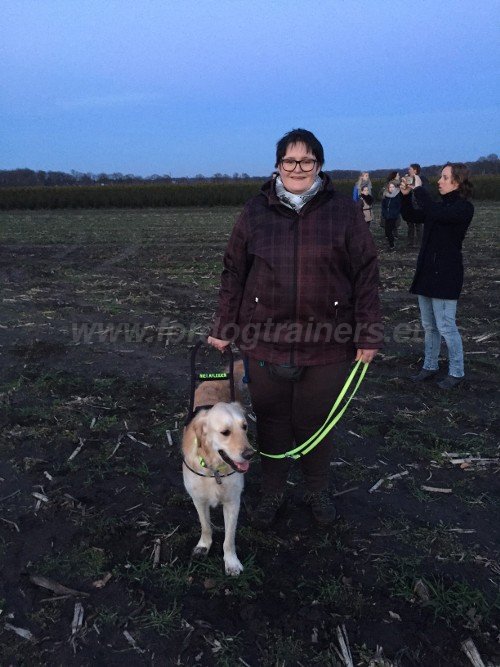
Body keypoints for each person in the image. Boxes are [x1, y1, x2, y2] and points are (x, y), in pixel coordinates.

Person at [207, 128, 382, 528]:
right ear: (278, 165)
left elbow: (366, 275)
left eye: (307, 161)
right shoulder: (255, 211)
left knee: (314, 422)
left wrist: (368, 332)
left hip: (328, 343)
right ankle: (272, 493)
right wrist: (224, 326)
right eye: (290, 161)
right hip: (264, 341)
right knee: (271, 421)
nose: (297, 168)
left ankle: (317, 490)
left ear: (319, 165)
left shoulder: (343, 212)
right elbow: (234, 271)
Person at [400, 163, 474, 389]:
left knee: (446, 326)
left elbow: (434, 212)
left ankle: (457, 372)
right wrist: (405, 196)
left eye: (444, 177)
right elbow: (412, 214)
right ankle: (430, 366)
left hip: (446, 275)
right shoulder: (439, 206)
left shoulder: (463, 208)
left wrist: (419, 188)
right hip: (427, 274)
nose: (439, 181)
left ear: (457, 182)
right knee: (429, 326)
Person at [400, 163, 427, 247]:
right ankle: (410, 242)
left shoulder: (419, 179)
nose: (408, 170)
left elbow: (412, 190)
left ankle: (420, 242)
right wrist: (404, 183)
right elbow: (405, 191)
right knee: (410, 224)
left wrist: (406, 185)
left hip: (417, 205)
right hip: (408, 205)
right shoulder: (408, 178)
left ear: (415, 170)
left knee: (418, 225)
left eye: (410, 169)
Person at [381, 180, 402, 250]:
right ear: (388, 188)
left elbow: (399, 206)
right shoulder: (385, 195)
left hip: (393, 216)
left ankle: (392, 245)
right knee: (387, 231)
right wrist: (384, 213)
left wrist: (395, 214)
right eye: (390, 187)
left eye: (393, 187)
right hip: (387, 216)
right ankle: (391, 243)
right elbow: (383, 206)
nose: (391, 188)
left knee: (389, 230)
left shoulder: (397, 195)